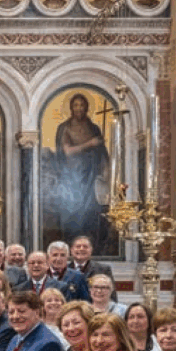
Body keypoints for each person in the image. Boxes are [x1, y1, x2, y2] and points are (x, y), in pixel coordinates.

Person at [53, 94, 110, 251]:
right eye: (76, 105)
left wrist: (106, 172)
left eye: (82, 105)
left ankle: (93, 247)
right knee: (73, 212)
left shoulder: (93, 128)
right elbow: (67, 151)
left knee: (92, 213)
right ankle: (71, 246)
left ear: (87, 108)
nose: (79, 108)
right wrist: (90, 143)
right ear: (71, 108)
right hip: (72, 177)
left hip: (91, 177)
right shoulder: (65, 128)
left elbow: (102, 153)